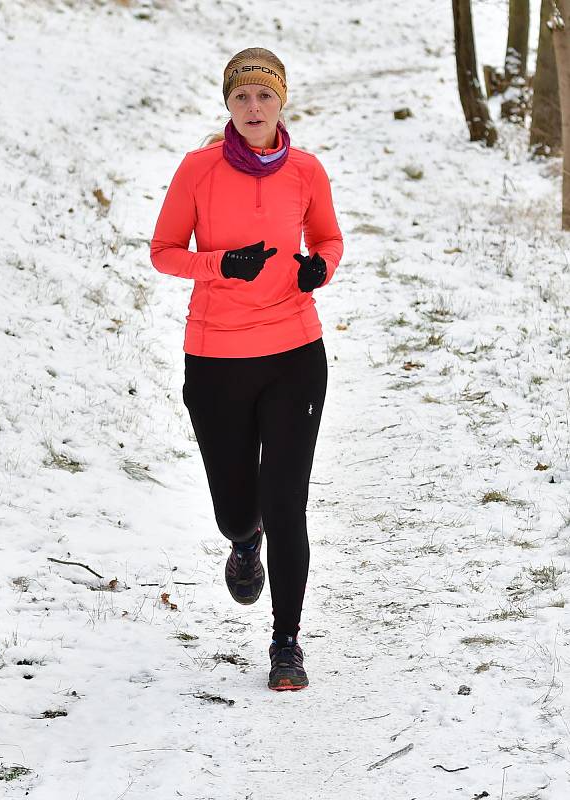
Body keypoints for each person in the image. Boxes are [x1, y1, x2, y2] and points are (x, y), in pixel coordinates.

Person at [150, 47, 343, 691]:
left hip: (294, 352)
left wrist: (320, 269)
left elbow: (329, 239)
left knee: (288, 501)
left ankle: (286, 641)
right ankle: (242, 537)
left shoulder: (306, 172)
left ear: (281, 99)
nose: (253, 107)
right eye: (241, 97)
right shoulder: (198, 171)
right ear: (228, 104)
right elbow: (164, 252)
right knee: (239, 506)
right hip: (217, 358)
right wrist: (220, 265)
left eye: (264, 95)